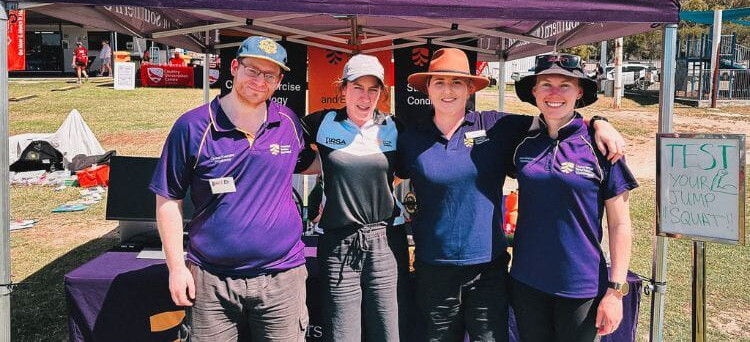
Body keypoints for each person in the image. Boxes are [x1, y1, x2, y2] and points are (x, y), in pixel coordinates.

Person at [395, 48, 625, 342]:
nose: (448, 91)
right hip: (433, 268)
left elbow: (556, 116)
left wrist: (599, 122)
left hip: (487, 269)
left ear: (469, 88)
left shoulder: (496, 126)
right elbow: (388, 177)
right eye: (439, 82)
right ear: (427, 88)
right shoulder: (412, 138)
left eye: (456, 83)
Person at [150, 36, 309, 342]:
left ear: (279, 81)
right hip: (211, 279)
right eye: (252, 70)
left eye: (270, 75)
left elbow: (313, 163)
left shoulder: (288, 123)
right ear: (234, 67)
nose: (260, 81)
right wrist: (176, 267)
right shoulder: (193, 126)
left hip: (282, 276)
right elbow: (168, 199)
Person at [509, 53, 637, 341]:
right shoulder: (523, 142)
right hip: (527, 281)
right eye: (546, 84)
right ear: (533, 91)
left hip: (581, 287)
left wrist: (615, 292)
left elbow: (620, 225)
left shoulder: (602, 147)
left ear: (580, 92)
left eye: (565, 85)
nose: (554, 93)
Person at [297, 54, 409, 342]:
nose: (365, 96)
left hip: (385, 240)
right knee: (342, 333)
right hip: (338, 243)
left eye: (374, 89)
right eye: (357, 87)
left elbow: (405, 171)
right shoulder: (321, 123)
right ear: (342, 89)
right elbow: (283, 145)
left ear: (383, 93)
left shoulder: (395, 127)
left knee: (387, 330)